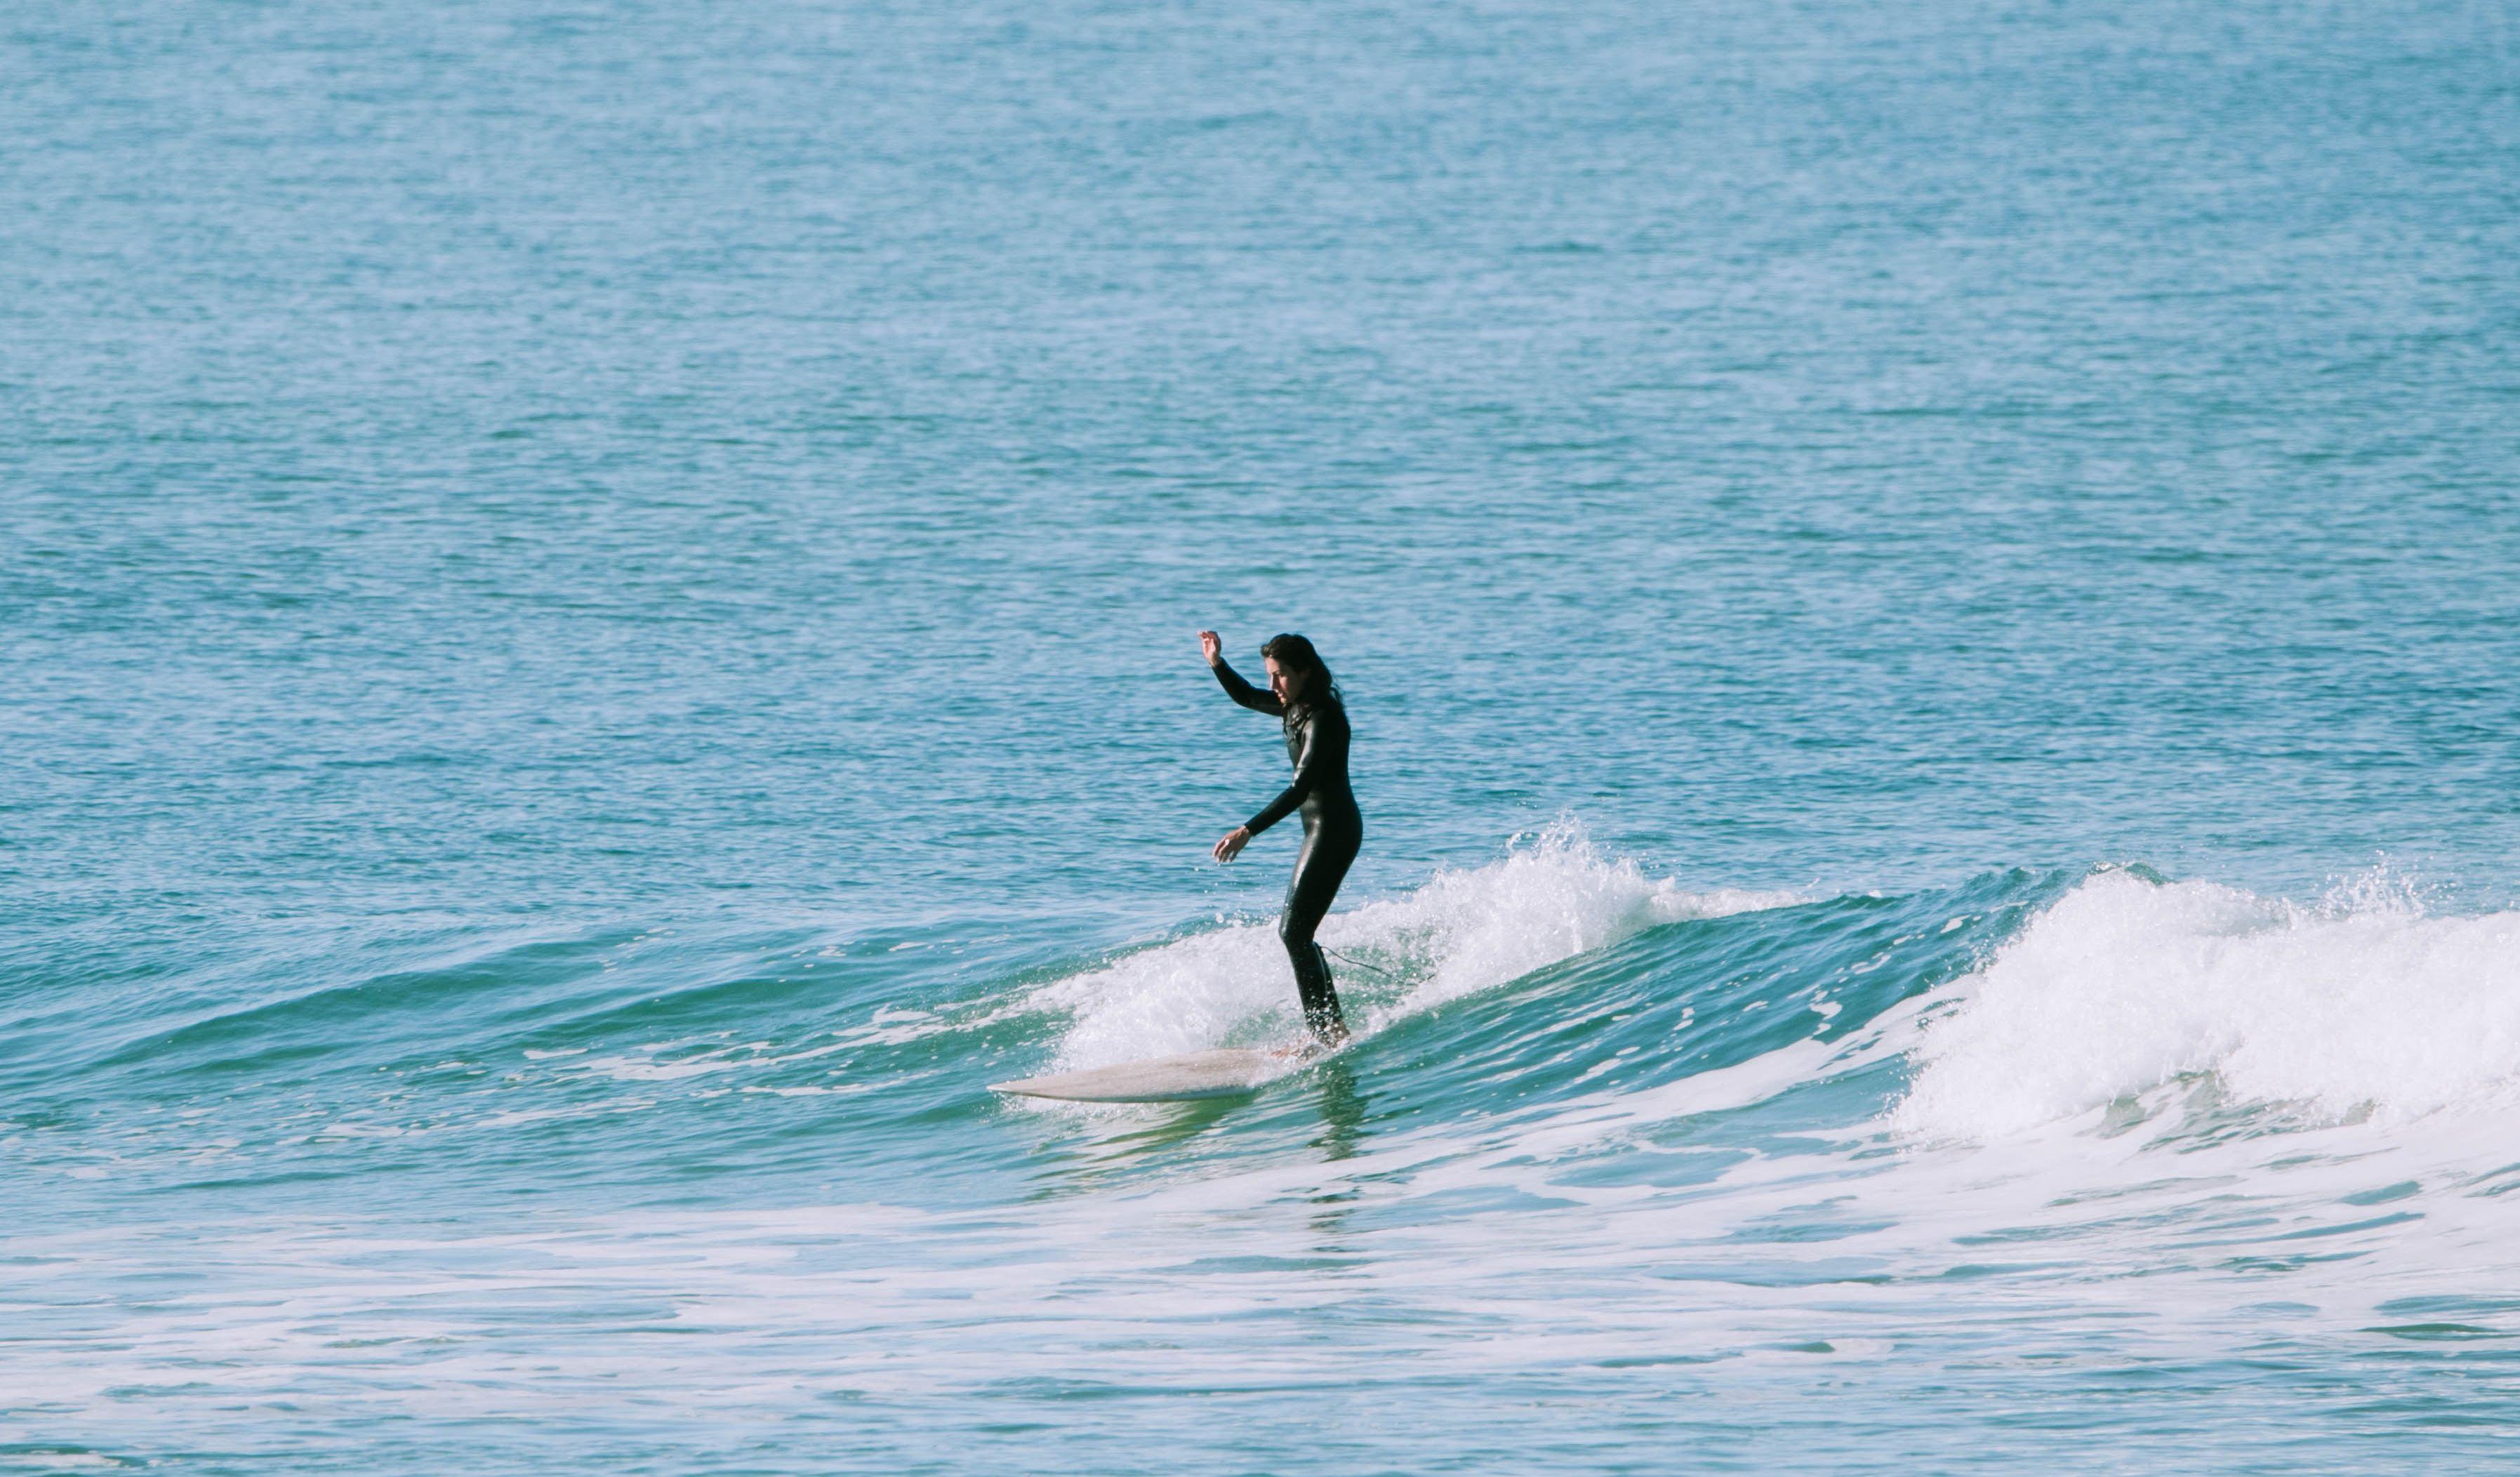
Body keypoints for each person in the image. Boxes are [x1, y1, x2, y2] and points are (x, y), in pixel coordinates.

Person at [1199, 629, 1360, 1047]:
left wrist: (1248, 830)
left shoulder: (1323, 718)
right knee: (1298, 933)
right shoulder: (1296, 708)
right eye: (1271, 675)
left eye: (1281, 676)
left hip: (1335, 831)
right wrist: (1217, 662)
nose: (1274, 685)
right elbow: (1247, 697)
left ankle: (1326, 1032)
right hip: (1321, 830)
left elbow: (1301, 788)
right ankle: (1331, 1028)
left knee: (1294, 933)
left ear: (1306, 672)